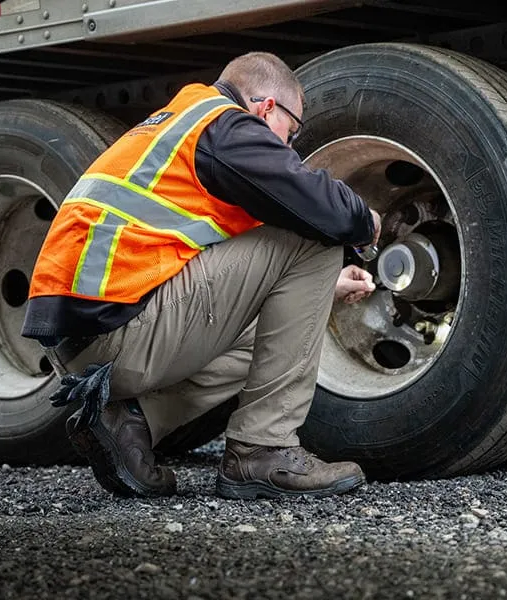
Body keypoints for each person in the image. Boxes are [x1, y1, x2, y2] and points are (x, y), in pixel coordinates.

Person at [21, 51, 381, 500]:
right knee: (316, 235)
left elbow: (230, 273)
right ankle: (262, 451)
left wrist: (323, 286)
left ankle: (132, 423)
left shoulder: (179, 123)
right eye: (291, 131)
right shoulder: (225, 124)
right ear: (266, 108)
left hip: (87, 340)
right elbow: (323, 207)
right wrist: (367, 224)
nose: (288, 148)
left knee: (266, 332)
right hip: (117, 333)